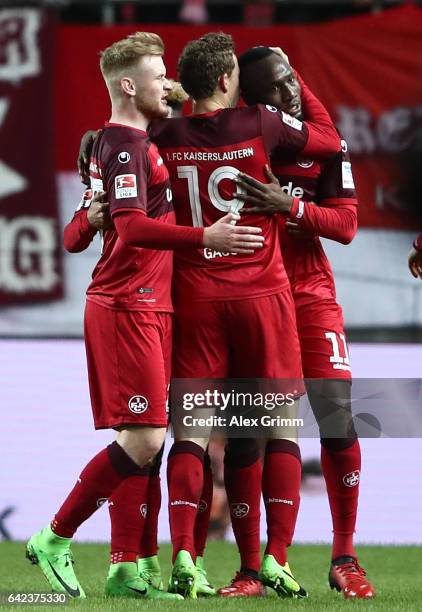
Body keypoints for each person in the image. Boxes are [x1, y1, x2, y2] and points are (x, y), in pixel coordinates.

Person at [26, 32, 265, 601]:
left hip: (150, 304)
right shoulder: (125, 145)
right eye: (156, 75)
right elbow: (127, 229)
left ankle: (127, 568)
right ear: (129, 85)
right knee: (144, 437)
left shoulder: (130, 140)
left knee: (147, 441)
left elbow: (78, 232)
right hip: (126, 303)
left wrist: (90, 214)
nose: (167, 83)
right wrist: (205, 235)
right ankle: (55, 536)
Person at [149, 32, 341, 599]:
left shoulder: (165, 134)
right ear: (229, 80)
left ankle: (187, 553)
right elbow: (328, 141)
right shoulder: (262, 122)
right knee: (272, 424)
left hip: (197, 297)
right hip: (263, 296)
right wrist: (297, 78)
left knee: (194, 428)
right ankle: (273, 562)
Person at [223, 45, 375, 600]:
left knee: (336, 415)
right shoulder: (236, 140)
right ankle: (254, 569)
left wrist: (289, 207)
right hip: (250, 296)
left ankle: (344, 557)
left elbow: (347, 225)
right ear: (253, 101)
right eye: (277, 87)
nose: (290, 92)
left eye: (294, 80)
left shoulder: (324, 146)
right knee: (250, 430)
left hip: (310, 293)